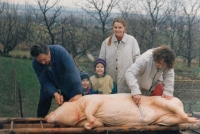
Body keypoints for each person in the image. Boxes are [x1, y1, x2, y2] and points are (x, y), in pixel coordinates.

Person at [30, 43, 82, 117]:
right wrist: (55, 93)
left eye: (44, 59)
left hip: (65, 80)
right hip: (50, 81)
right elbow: (44, 82)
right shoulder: (35, 63)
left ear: (48, 52)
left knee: (70, 107)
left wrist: (78, 93)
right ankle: (40, 121)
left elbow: (73, 71)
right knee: (43, 102)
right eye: (40, 61)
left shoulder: (60, 52)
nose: (43, 63)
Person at [99, 17, 140, 93]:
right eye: (115, 27)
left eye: (120, 27)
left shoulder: (132, 41)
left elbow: (137, 59)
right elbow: (101, 61)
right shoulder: (106, 42)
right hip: (110, 80)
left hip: (127, 79)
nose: (117, 30)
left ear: (124, 28)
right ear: (113, 28)